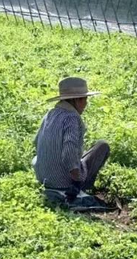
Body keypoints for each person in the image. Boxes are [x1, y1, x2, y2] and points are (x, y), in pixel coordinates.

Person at [33, 77, 111, 208]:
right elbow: (69, 152)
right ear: (77, 100)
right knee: (102, 146)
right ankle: (81, 190)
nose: (86, 104)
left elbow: (36, 142)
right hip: (65, 183)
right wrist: (76, 181)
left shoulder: (50, 114)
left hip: (44, 178)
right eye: (85, 99)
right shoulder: (72, 118)